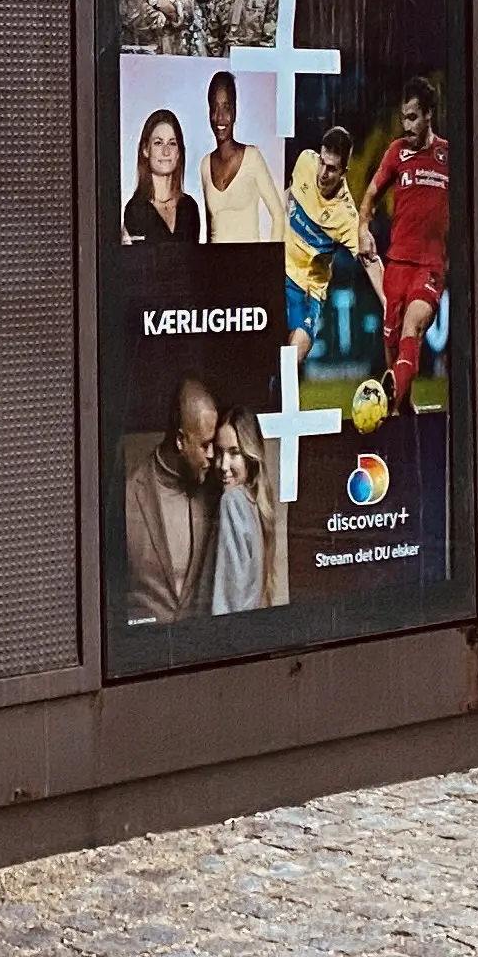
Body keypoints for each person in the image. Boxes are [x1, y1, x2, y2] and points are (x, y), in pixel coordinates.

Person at [363, 80, 451, 396]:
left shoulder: (447, 156)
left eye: (413, 117)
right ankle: (401, 406)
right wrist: (363, 228)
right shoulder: (396, 152)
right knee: (392, 342)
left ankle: (387, 403)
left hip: (429, 266)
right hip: (397, 262)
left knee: (411, 329)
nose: (406, 125)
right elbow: (371, 194)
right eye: (403, 118)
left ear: (429, 115)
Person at [121, 376, 221, 624]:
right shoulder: (128, 494)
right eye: (205, 445)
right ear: (180, 440)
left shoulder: (215, 493)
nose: (212, 456)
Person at [283, 123, 368, 394]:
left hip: (306, 291)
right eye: (322, 162)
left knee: (291, 359)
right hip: (273, 272)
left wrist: (390, 303)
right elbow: (287, 197)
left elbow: (370, 261)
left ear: (344, 172)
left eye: (332, 168)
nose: (323, 172)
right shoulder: (304, 161)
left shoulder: (346, 216)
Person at [198, 71, 283, 258]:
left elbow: (279, 215)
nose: (220, 117)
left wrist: (267, 264)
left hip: (248, 268)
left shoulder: (252, 157)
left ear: (235, 111)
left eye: (226, 108)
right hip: (217, 269)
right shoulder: (205, 164)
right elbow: (209, 228)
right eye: (214, 108)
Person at [205, 413, 271, 615]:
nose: (223, 466)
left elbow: (227, 600)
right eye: (219, 452)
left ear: (250, 457)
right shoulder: (255, 502)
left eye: (234, 453)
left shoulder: (232, 501)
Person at [122, 105, 203, 242]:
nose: (166, 152)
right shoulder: (135, 210)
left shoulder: (189, 207)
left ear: (178, 153)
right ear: (145, 150)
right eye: (158, 143)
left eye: (172, 143)